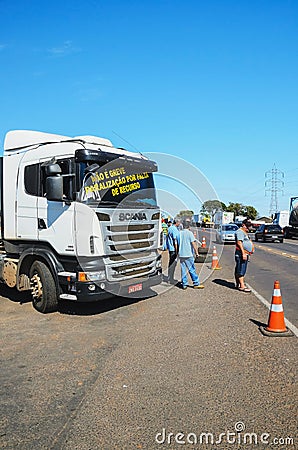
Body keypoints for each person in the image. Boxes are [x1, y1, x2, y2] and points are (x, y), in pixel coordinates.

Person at [178, 220, 204, 290]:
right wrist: (197, 253)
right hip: (188, 254)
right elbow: (193, 244)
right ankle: (196, 283)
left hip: (181, 254)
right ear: (189, 226)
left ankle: (184, 284)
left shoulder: (179, 233)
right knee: (191, 269)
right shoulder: (190, 233)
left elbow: (177, 244)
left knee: (183, 269)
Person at [234, 218, 254, 292]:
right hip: (241, 253)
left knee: (239, 268)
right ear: (243, 225)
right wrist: (243, 253)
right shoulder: (240, 232)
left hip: (245, 253)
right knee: (241, 270)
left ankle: (238, 284)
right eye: (247, 226)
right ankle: (242, 286)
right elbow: (239, 243)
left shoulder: (244, 232)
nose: (248, 227)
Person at [166, 219, 181, 284]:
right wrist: (177, 250)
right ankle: (170, 279)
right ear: (177, 222)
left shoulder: (170, 228)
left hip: (170, 248)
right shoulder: (174, 229)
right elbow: (175, 241)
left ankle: (170, 278)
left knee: (170, 264)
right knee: (173, 264)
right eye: (179, 222)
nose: (180, 223)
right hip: (173, 250)